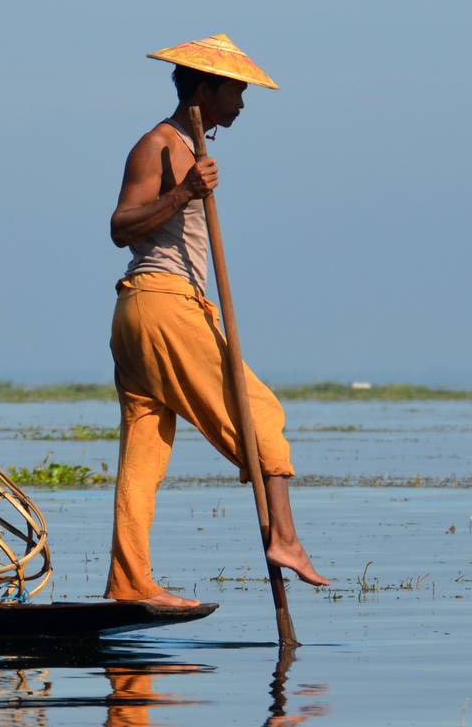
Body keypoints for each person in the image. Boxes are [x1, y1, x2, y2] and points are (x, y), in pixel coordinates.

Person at [104, 34, 331, 607]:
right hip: (162, 301)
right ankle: (285, 538)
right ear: (204, 90)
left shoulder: (190, 145)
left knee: (146, 450)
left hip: (150, 311)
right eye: (237, 91)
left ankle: (129, 584)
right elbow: (120, 227)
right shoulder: (158, 144)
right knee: (260, 412)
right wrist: (182, 193)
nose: (243, 104)